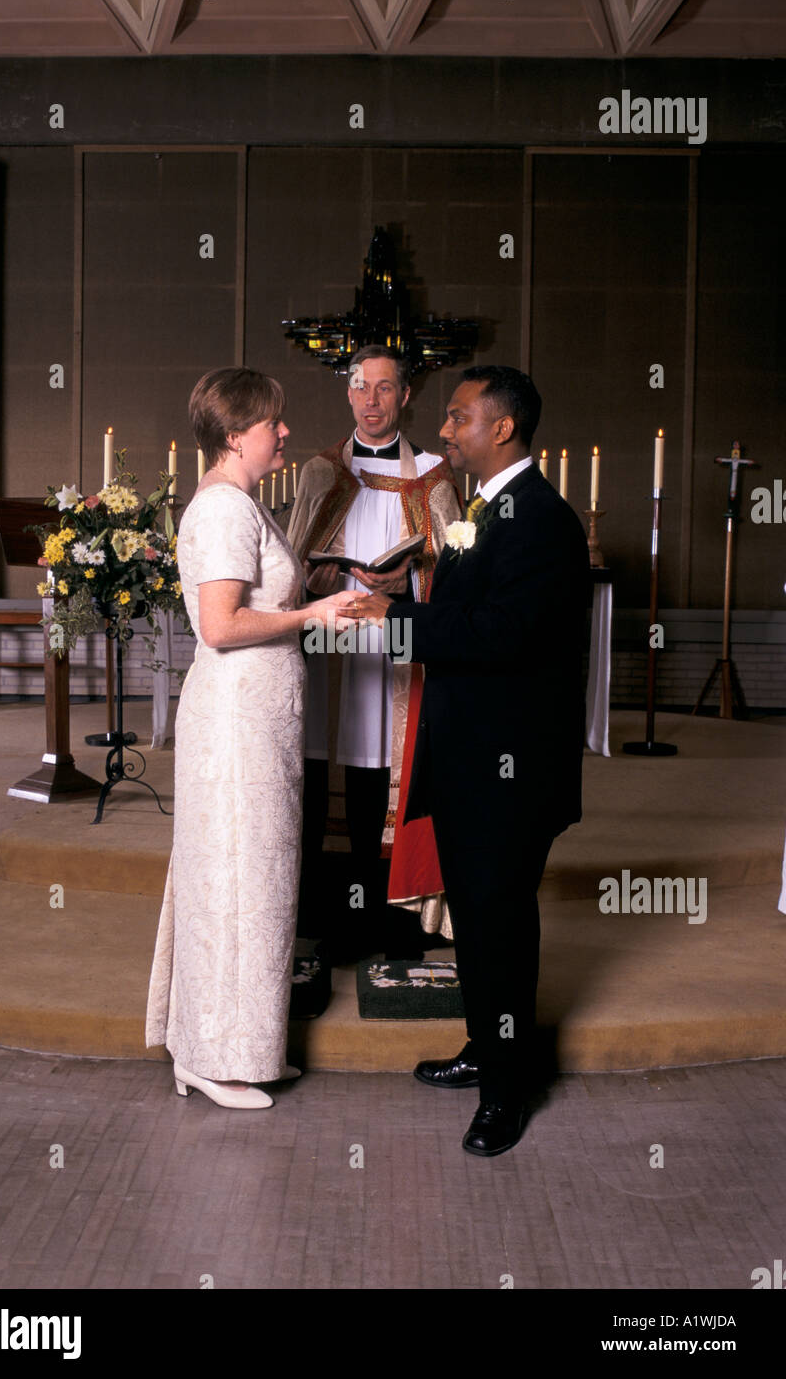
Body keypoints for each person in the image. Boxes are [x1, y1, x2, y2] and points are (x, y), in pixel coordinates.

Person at [339, 366, 591, 1155]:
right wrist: (404, 587)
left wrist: (397, 618)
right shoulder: (486, 508)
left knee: (501, 926)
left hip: (509, 770)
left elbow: (503, 635)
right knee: (478, 927)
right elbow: (466, 607)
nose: (444, 432)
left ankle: (508, 1093)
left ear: (503, 428)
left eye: (457, 418)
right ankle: (487, 1050)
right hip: (472, 761)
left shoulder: (541, 519)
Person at [145, 367, 354, 1110]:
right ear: (237, 436)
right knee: (236, 881)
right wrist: (312, 616)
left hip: (257, 720)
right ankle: (211, 1056)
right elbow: (221, 626)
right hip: (236, 723)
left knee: (255, 881)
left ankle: (237, 1046)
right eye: (274, 422)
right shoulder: (226, 510)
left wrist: (319, 592)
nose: (286, 432)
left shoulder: (242, 504)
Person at [287, 345, 461, 961]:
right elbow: (290, 565)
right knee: (311, 768)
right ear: (348, 393)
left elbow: (458, 575)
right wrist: (316, 581)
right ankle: (309, 913)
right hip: (323, 644)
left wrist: (410, 581)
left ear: (405, 396)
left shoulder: (435, 476)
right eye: (361, 388)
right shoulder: (319, 473)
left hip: (397, 645)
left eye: (384, 389)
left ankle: (382, 914)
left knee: (376, 773)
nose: (371, 401)